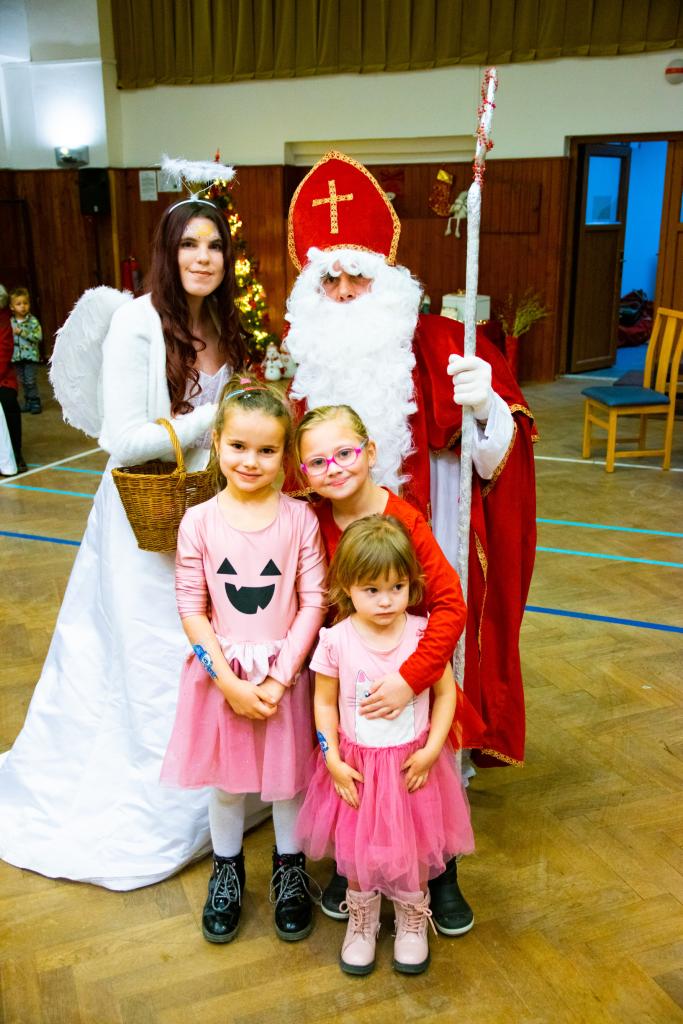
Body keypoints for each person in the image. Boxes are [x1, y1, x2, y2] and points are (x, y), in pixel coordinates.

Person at [283, 150, 537, 932]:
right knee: (354, 727)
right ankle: (357, 861)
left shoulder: (442, 344)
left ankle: (435, 864)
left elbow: (497, 464)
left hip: (424, 576)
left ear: (387, 277)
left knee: (427, 723)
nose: (342, 292)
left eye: (356, 275)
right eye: (328, 278)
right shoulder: (307, 367)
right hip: (339, 593)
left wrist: (485, 408)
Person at [0, 198, 250, 889]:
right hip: (146, 518)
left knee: (207, 649)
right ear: (167, 252)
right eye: (189, 244)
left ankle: (218, 791)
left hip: (207, 510)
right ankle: (159, 801)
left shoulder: (219, 322)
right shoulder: (138, 323)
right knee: (154, 654)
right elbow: (123, 439)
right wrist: (216, 417)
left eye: (215, 246)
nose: (203, 257)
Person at [295, 403, 482, 931]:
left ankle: (439, 871)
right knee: (355, 780)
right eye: (317, 462)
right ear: (303, 473)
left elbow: (451, 606)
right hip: (347, 676)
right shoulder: (309, 519)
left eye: (344, 453)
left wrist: (410, 678)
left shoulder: (405, 521)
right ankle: (357, 867)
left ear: (370, 452)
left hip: (408, 677)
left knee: (419, 783)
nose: (333, 468)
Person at [161, 373, 326, 943]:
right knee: (228, 784)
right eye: (238, 446)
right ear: (217, 443)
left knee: (287, 782)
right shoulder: (199, 521)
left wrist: (280, 679)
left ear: (286, 455)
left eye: (266, 450)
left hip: (285, 676)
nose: (251, 461)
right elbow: (192, 607)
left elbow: (313, 602)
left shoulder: (299, 519)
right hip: (223, 676)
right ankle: (227, 871)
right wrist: (228, 682)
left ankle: (290, 870)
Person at [297, 515, 475, 976]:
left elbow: (445, 695)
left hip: (411, 767)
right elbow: (324, 703)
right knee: (359, 850)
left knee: (412, 847)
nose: (385, 600)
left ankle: (412, 918)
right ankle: (363, 920)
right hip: (357, 770)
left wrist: (432, 750)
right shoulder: (335, 640)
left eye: (396, 587)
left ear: (411, 584)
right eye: (372, 589)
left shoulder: (421, 634)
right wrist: (332, 758)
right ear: (347, 587)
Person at [0, 284, 26, 473]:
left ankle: (15, 453)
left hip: (2, 376)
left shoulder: (3, 319)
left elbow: (4, 348)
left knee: (8, 402)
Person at [9, 286, 43, 414]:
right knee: (22, 381)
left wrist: (22, 332)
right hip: (16, 357)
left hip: (30, 357)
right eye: (18, 304)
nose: (22, 306)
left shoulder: (32, 321)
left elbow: (38, 337)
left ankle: (35, 401)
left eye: (25, 303)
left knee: (30, 380)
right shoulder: (10, 322)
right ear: (12, 307)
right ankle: (28, 401)